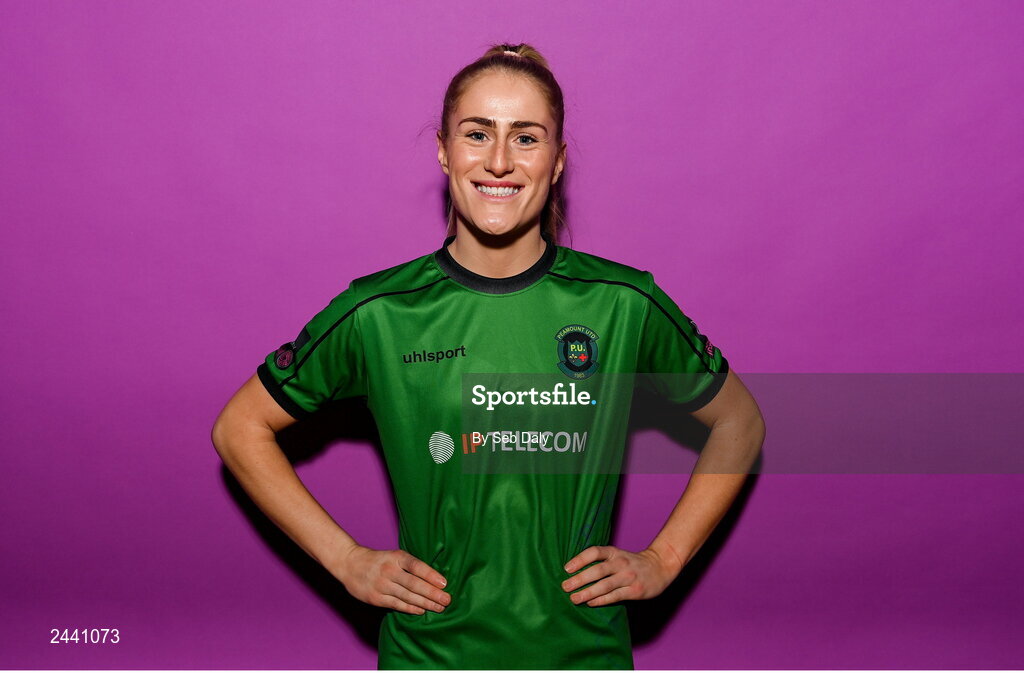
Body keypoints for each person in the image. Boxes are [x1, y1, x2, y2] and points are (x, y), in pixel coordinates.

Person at [212, 42, 765, 670]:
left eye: (526, 138)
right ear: (444, 150)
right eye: (478, 133)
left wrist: (664, 559)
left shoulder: (624, 302)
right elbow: (240, 427)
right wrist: (345, 558)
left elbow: (739, 421)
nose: (499, 161)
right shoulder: (380, 311)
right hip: (430, 656)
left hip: (583, 656)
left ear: (557, 162)